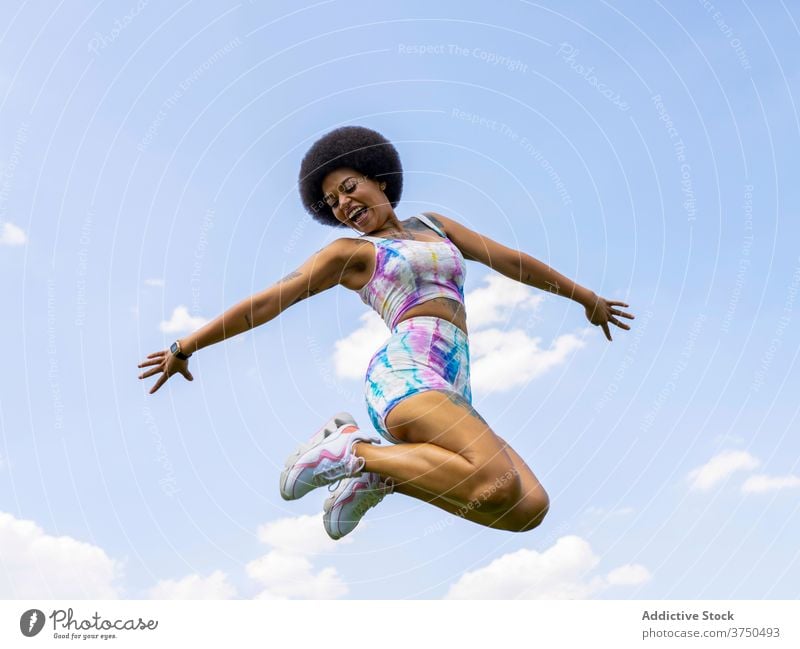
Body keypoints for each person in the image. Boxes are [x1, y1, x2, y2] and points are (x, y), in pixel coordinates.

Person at [138, 126, 634, 540]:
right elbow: (268, 301)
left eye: (349, 187)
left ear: (377, 179)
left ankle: (378, 472)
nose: (343, 205)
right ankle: (354, 450)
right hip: (407, 374)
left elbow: (511, 260)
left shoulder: (434, 226)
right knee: (498, 484)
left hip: (453, 383)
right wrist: (185, 346)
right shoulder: (350, 254)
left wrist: (584, 297)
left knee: (526, 507)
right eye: (331, 202)